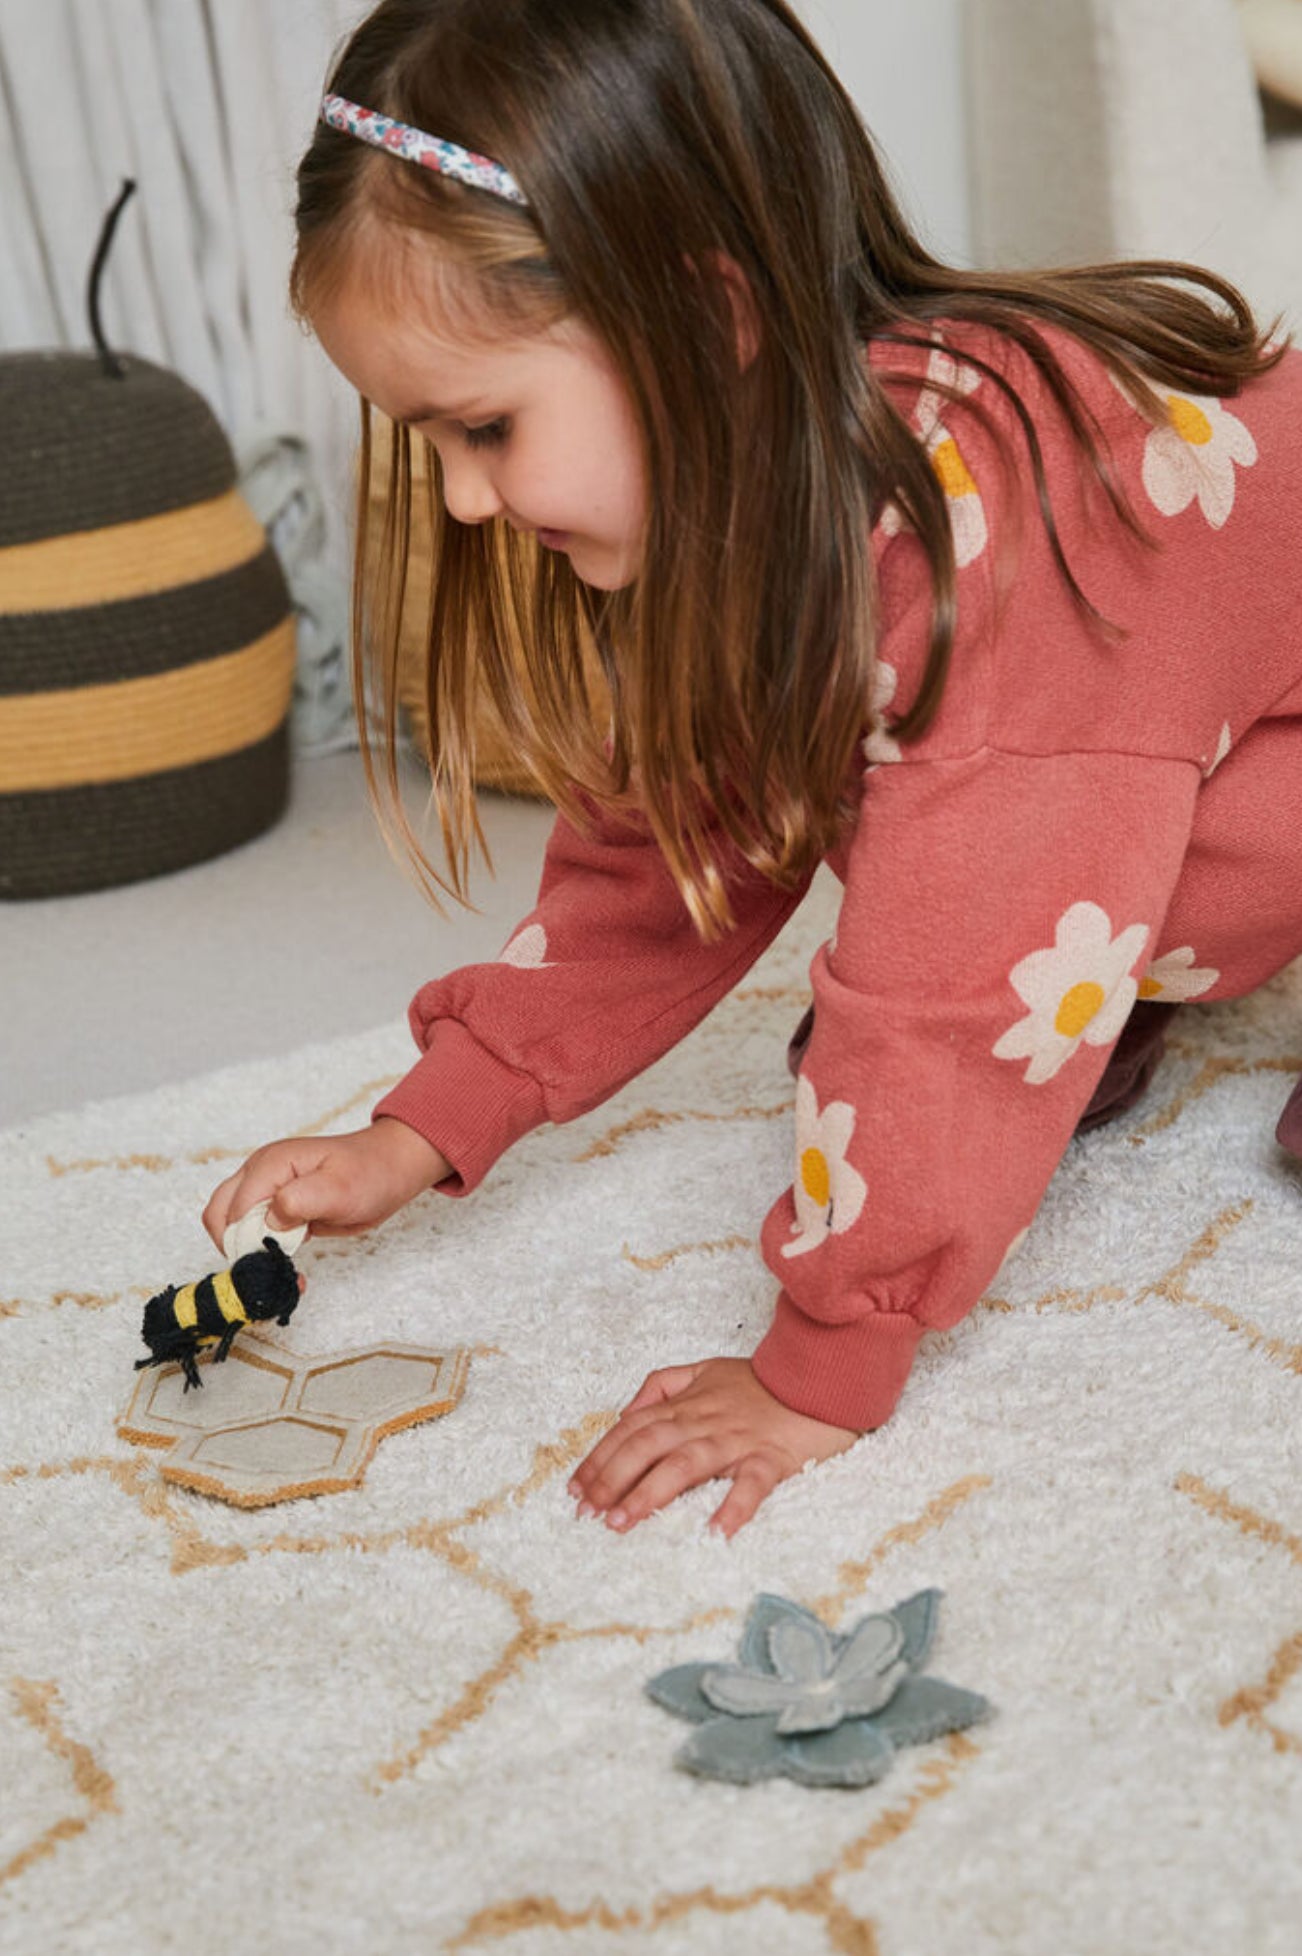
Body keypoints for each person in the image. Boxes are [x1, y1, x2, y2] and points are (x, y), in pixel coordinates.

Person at [205, 0, 1302, 1538]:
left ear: (705, 317)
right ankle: (1099, 971)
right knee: (1000, 846)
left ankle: (1096, 981)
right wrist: (432, 1117)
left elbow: (948, 992)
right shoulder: (762, 485)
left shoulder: (994, 544)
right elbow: (659, 851)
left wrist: (823, 1360)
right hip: (1161, 744)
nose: (457, 504)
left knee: (1001, 908)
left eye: (484, 429)